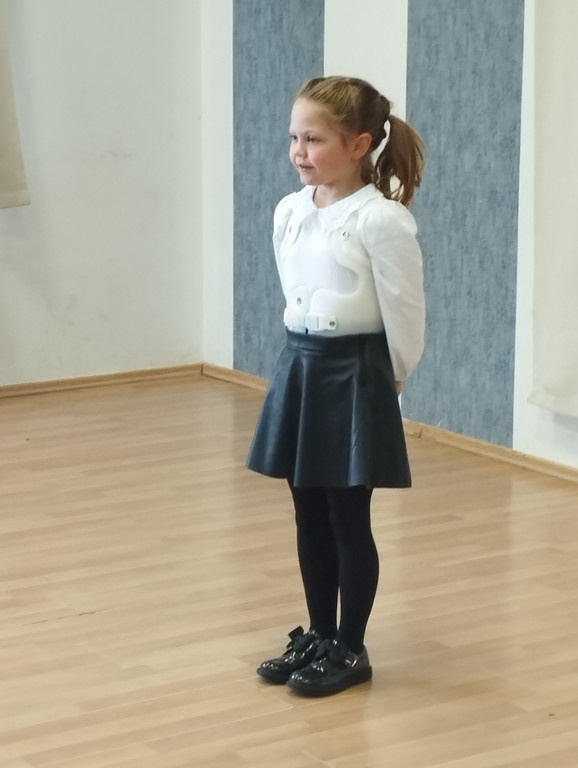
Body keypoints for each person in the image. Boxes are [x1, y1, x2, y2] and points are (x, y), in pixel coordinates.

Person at [246, 75, 426, 697]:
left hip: (355, 376)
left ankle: (352, 646)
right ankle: (320, 634)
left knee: (348, 516)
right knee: (308, 512)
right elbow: (293, 289)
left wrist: (386, 383)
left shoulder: (381, 221)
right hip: (301, 365)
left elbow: (405, 314)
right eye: (294, 137)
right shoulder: (290, 211)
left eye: (314, 139)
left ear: (359, 145)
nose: (298, 151)